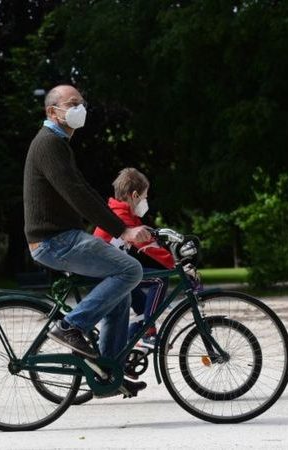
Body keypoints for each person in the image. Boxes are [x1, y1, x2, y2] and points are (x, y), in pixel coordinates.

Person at [24, 84, 150, 395]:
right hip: (55, 240)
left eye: (82, 102)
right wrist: (123, 230)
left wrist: (121, 225)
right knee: (131, 270)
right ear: (53, 111)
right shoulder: (49, 144)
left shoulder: (58, 144)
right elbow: (76, 194)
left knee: (119, 290)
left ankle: (107, 371)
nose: (80, 108)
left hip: (60, 238)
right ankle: (70, 326)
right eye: (73, 103)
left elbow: (85, 191)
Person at [93, 168, 175, 350]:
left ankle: (124, 358)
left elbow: (149, 238)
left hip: (114, 272)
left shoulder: (125, 214)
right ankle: (149, 332)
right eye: (145, 197)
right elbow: (146, 246)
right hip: (107, 274)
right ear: (135, 195)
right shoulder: (120, 216)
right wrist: (174, 263)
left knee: (142, 311)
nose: (145, 202)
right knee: (160, 280)